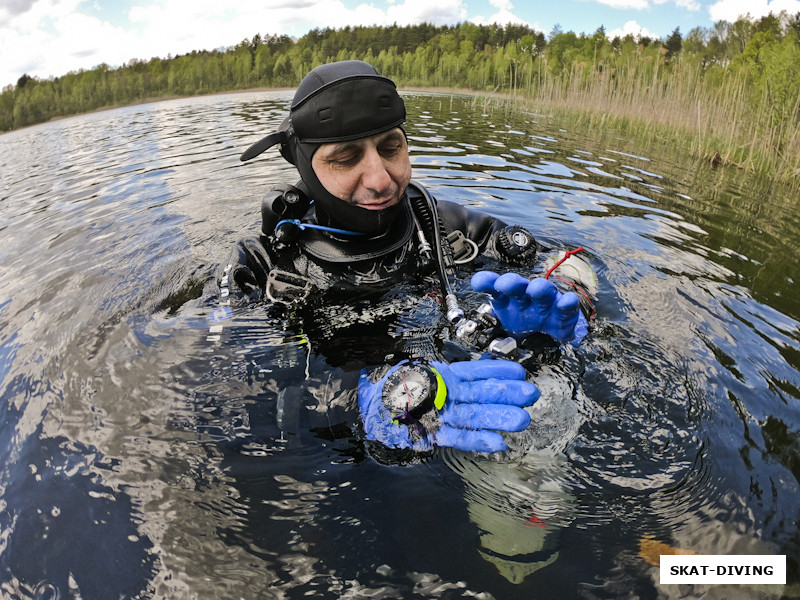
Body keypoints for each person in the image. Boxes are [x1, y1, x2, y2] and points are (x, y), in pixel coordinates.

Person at [224, 60, 596, 455]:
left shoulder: (446, 226)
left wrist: (568, 310)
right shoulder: (266, 264)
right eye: (346, 159)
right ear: (306, 167)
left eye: (390, 148)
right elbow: (226, 390)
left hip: (469, 418)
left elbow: (570, 258)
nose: (382, 179)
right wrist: (354, 405)